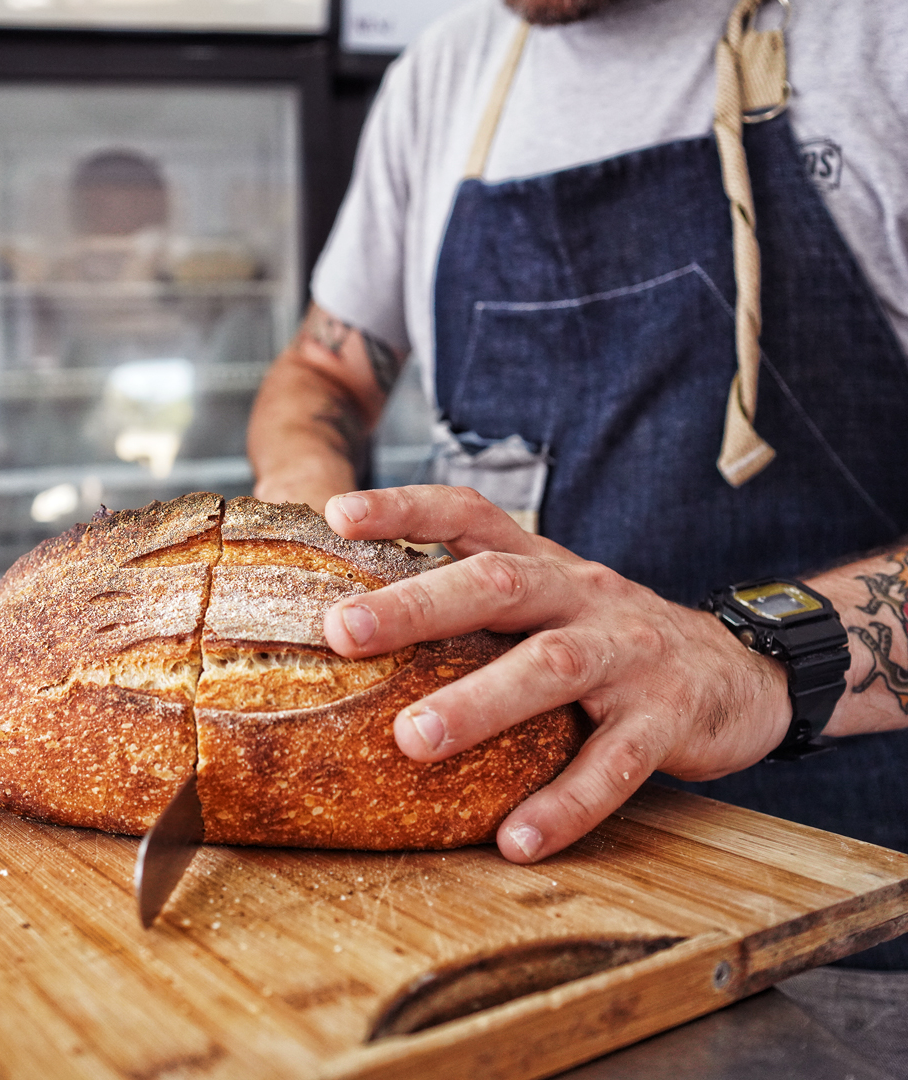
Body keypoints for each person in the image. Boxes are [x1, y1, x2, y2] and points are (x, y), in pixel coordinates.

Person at [247, 0, 908, 974]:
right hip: (501, 897)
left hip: (842, 915)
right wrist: (314, 519)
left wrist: (751, 662)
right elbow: (325, 372)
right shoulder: (446, 79)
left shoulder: (876, 38)